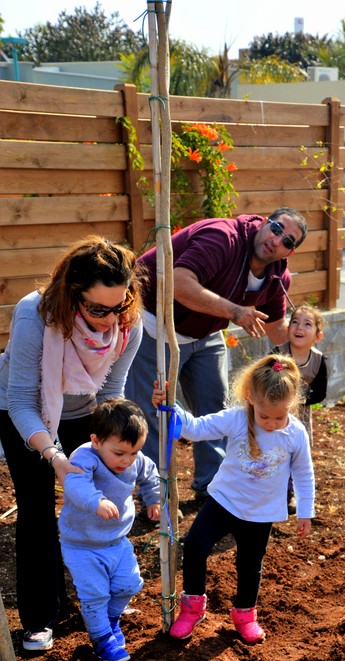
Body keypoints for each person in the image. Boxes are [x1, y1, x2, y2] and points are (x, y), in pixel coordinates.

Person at [0, 236, 144, 652]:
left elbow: (111, 392)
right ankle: (40, 617)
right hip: (20, 408)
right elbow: (22, 400)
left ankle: (99, 598)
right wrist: (55, 456)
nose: (108, 319)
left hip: (84, 409)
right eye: (97, 309)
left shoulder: (127, 323)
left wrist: (114, 444)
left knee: (101, 497)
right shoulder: (36, 315)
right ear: (71, 294)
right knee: (38, 508)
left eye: (117, 306)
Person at [126, 208, 308, 500]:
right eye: (275, 228)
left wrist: (304, 344)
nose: (276, 240)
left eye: (288, 240)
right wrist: (235, 311)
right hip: (153, 320)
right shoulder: (223, 237)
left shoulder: (277, 278)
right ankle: (154, 494)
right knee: (153, 409)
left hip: (205, 330)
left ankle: (211, 488)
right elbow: (178, 283)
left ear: (291, 252)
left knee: (215, 406)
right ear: (263, 222)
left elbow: (275, 328)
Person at [152, 353, 314, 644]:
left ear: (292, 405)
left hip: (261, 514)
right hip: (223, 502)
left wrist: (305, 511)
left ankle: (244, 615)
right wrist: (171, 406)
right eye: (265, 416)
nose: (272, 423)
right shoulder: (237, 418)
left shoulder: (295, 434)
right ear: (251, 398)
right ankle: (192, 607)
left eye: (280, 416)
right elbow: (196, 429)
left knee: (250, 565)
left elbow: (304, 473)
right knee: (195, 546)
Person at [58, 399, 159, 661]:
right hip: (81, 544)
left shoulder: (133, 460)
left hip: (116, 540)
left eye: (134, 453)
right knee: (95, 593)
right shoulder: (84, 456)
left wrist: (154, 499)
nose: (127, 461)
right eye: (119, 453)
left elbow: (150, 474)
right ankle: (102, 639)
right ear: (96, 440)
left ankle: (111, 622)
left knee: (129, 584)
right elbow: (75, 484)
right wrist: (96, 501)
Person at [272, 305, 327, 513]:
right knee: (276, 448)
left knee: (298, 451)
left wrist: (298, 400)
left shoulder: (319, 360)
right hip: (276, 411)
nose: (299, 327)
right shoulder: (279, 355)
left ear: (318, 336)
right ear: (288, 329)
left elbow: (320, 392)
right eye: (295, 322)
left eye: (307, 324)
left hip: (301, 413)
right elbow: (270, 376)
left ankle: (294, 493)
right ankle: (277, 491)